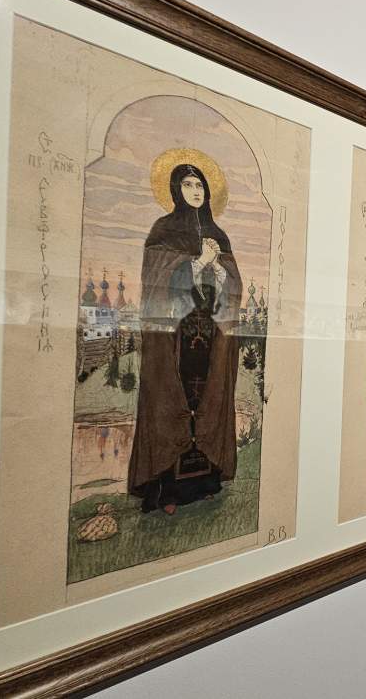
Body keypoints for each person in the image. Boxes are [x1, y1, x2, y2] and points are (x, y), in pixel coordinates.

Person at [127, 162, 243, 514]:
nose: (196, 191)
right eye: (189, 185)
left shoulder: (218, 235)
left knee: (208, 398)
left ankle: (206, 482)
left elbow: (233, 288)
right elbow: (156, 282)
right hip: (176, 337)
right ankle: (168, 491)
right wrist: (197, 262)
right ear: (176, 190)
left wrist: (217, 265)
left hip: (209, 336)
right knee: (173, 402)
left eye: (200, 186)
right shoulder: (163, 230)